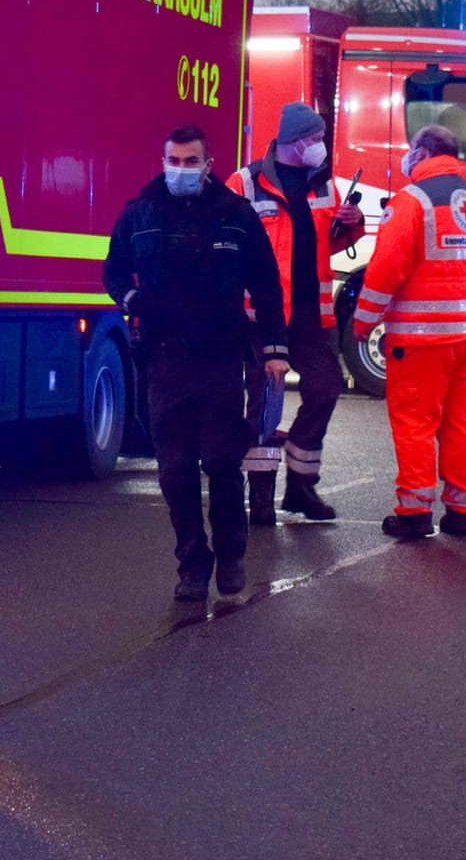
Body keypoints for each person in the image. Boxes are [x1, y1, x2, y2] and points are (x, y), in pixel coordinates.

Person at [104, 124, 289, 601]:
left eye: (190, 162)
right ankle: (192, 564)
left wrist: (273, 353)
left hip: (221, 357)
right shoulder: (139, 215)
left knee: (223, 464)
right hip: (165, 360)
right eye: (173, 161)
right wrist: (130, 298)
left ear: (208, 166)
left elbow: (267, 286)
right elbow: (113, 271)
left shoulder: (236, 217)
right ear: (163, 161)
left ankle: (231, 556)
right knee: (175, 470)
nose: (180, 170)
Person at [351, 126, 466, 539]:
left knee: (415, 422)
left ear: (423, 153)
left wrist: (364, 322)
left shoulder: (412, 201)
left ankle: (414, 512)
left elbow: (386, 269)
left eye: (410, 150)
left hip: (421, 339)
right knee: (462, 423)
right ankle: (461, 510)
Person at [226, 102, 365, 524]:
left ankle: (301, 488)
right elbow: (227, 249)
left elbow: (327, 244)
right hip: (262, 317)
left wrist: (352, 223)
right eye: (317, 138)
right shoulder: (245, 184)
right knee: (264, 406)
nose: (321, 146)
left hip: (310, 315)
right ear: (296, 140)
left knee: (325, 389)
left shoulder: (323, 185)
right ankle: (262, 500)